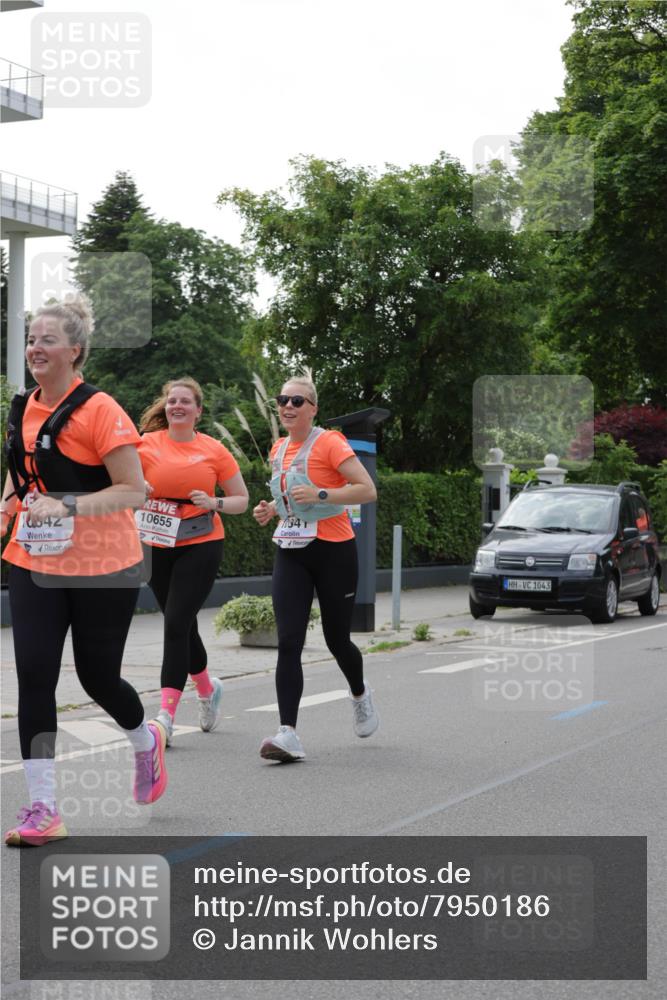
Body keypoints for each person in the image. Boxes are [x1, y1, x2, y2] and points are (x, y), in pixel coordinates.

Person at [1, 296, 167, 847]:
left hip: (104, 564)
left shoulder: (101, 410)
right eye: (31, 339)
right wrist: (6, 510)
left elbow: (133, 490)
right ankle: (44, 809)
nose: (35, 348)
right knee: (35, 675)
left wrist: (67, 505)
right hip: (34, 560)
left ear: (75, 350)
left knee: (98, 677)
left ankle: (144, 741)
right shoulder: (23, 407)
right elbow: (22, 476)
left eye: (47, 340)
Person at [253, 373, 379, 762]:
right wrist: (271, 509)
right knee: (288, 640)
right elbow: (291, 499)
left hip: (333, 550)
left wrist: (321, 493)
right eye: (282, 401)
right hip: (291, 549)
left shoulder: (330, 442)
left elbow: (367, 490)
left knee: (336, 639)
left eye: (297, 401)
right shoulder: (278, 449)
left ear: (313, 409)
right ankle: (287, 733)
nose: (288, 407)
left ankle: (359, 693)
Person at [137, 378, 249, 745]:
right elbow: (122, 481)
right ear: (166, 406)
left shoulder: (214, 449)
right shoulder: (145, 443)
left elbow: (241, 499)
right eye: (172, 401)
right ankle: (206, 689)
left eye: (186, 401)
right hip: (155, 542)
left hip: (200, 541)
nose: (178, 406)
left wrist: (214, 502)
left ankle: (165, 717)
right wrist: (138, 488)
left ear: (198, 411)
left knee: (175, 624)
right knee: (182, 625)